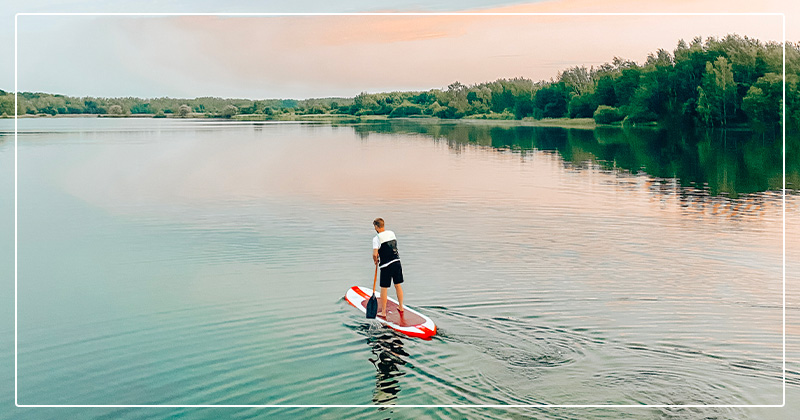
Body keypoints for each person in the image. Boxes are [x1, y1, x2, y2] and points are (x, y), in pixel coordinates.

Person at [372, 218, 404, 317]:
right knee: (397, 285)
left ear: (377, 227)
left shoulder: (376, 238)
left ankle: (383, 312)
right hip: (397, 262)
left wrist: (375, 260)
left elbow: (375, 254)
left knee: (384, 288)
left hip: (386, 265)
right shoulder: (391, 233)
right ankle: (401, 307)